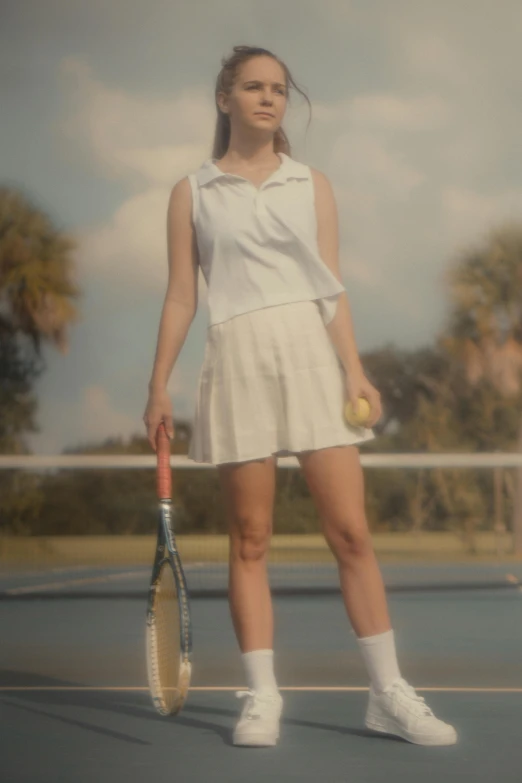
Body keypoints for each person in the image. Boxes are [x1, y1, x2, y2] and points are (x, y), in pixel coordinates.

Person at [143, 44, 457, 749]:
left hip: (311, 359)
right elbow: (180, 295)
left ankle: (388, 694)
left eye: (278, 90)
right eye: (253, 87)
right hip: (236, 357)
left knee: (351, 533)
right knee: (250, 538)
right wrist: (158, 383)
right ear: (224, 99)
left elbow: (330, 285)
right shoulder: (190, 193)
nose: (267, 98)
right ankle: (260, 696)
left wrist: (355, 369)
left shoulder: (311, 183)